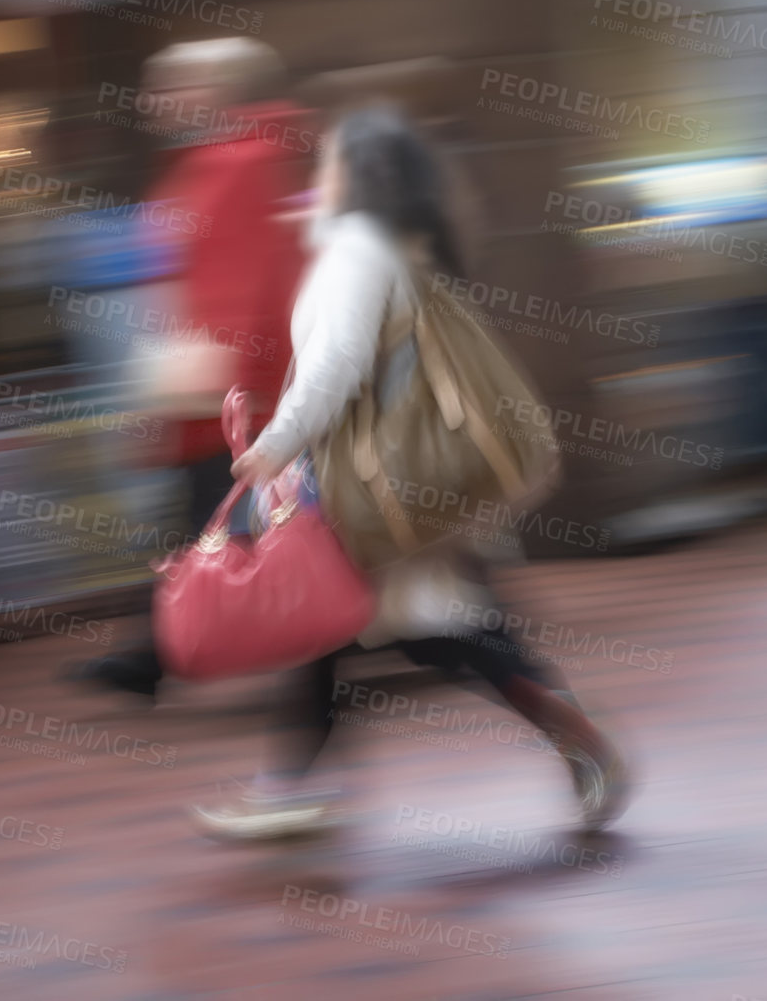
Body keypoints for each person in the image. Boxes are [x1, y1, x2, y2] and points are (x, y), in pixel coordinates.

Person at [192, 105, 631, 838]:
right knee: (380, 627)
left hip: (370, 486)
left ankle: (294, 787)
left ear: (357, 174)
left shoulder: (357, 249)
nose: (317, 175)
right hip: (392, 483)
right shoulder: (397, 246)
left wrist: (274, 444)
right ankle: (294, 785)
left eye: (328, 161)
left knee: (388, 629)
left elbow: (334, 365)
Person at [73, 38, 311, 700]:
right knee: (208, 516)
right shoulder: (217, 162)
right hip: (225, 383)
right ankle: (155, 651)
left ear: (222, 93)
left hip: (234, 389)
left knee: (222, 516)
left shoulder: (238, 163)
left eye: (176, 87)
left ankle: (160, 653)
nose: (156, 101)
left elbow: (241, 283)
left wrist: (210, 380)